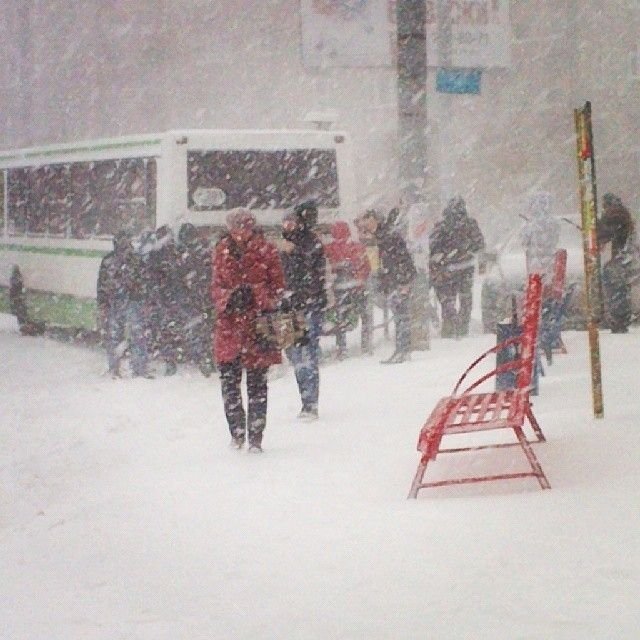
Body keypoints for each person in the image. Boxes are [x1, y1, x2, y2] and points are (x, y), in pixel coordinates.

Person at [212, 208, 285, 451]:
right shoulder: (221, 251)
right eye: (235, 227)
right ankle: (237, 431)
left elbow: (278, 287)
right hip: (230, 326)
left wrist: (255, 296)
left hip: (256, 326)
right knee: (229, 384)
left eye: (243, 227)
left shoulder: (266, 249)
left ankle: (255, 436)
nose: (239, 233)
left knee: (256, 385)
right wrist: (229, 298)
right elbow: (215, 287)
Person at [281, 200, 327, 419]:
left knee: (307, 353)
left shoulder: (309, 243)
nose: (287, 225)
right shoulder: (285, 245)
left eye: (291, 221)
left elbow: (311, 270)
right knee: (294, 354)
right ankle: (305, 398)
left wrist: (294, 253)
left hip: (307, 304)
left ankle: (310, 402)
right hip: (289, 304)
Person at [360, 208, 417, 364]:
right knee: (400, 315)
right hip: (394, 280)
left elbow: (400, 259)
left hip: (398, 280)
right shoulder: (382, 236)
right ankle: (402, 350)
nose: (364, 224)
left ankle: (403, 350)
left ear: (375, 220)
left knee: (401, 315)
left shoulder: (388, 236)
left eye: (367, 220)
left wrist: (403, 281)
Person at [97, 230, 152, 378]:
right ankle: (138, 368)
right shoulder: (134, 259)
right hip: (129, 301)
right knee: (137, 335)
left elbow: (102, 285)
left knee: (117, 336)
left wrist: (102, 303)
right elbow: (143, 282)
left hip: (117, 302)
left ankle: (116, 368)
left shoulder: (109, 260)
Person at [428, 197, 485, 339]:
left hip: (447, 267)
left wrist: (442, 258)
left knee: (448, 298)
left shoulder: (441, 225)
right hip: (466, 266)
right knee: (465, 297)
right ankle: (462, 327)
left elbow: (433, 246)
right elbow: (479, 244)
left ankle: (449, 326)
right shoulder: (470, 224)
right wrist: (469, 253)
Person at [323, 220, 371, 359]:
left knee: (340, 317)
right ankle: (365, 344)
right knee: (364, 315)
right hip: (357, 286)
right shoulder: (357, 246)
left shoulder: (330, 247)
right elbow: (365, 266)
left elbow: (326, 262)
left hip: (340, 288)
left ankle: (341, 348)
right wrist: (360, 278)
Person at [176, 223, 215, 376]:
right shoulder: (203, 252)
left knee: (196, 328)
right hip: (202, 296)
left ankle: (202, 356)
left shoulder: (182, 254)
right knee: (204, 328)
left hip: (191, 297)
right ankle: (206, 357)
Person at [598, 193, 634, 333]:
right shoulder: (621, 213)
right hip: (626, 257)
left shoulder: (615, 214)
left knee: (614, 286)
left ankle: (618, 319)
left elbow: (606, 233)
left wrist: (596, 228)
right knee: (620, 288)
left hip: (622, 258)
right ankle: (619, 318)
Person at [148, 225, 181, 375]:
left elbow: (152, 277)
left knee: (164, 331)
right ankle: (171, 360)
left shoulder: (156, 254)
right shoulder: (176, 252)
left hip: (163, 298)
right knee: (169, 330)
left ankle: (169, 360)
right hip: (172, 297)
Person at [520, 191, 561, 284]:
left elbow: (524, 241)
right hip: (550, 265)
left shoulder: (529, 225)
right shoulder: (554, 223)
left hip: (535, 267)